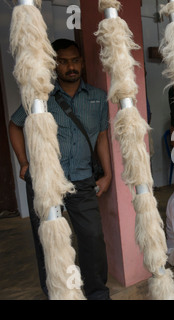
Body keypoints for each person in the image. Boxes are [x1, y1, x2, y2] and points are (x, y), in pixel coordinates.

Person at [9, 39, 112, 300]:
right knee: (48, 240)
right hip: (45, 181)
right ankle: (56, 291)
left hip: (82, 178)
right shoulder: (41, 97)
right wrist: (23, 162)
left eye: (74, 60)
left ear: (82, 62)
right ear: (55, 65)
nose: (70, 66)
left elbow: (101, 137)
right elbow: (14, 125)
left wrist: (107, 173)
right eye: (63, 61)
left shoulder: (98, 98)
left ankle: (97, 292)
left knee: (92, 239)